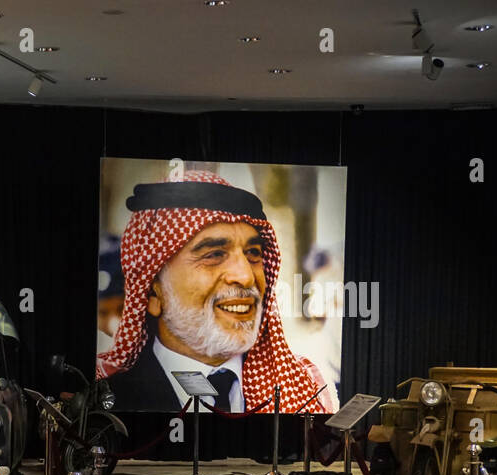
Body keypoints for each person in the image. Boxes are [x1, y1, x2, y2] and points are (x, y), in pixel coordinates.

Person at [98, 171, 332, 414]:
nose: (245, 276)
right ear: (154, 294)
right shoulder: (105, 398)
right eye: (214, 255)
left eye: (253, 253)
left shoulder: (306, 392)